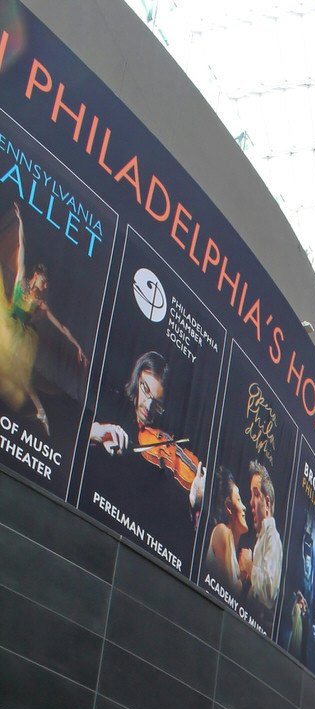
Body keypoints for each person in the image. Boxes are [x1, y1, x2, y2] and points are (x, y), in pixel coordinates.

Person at [86, 349, 205, 542]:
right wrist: (96, 430)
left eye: (157, 403)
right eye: (145, 389)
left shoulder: (162, 442)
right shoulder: (113, 400)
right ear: (136, 378)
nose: (147, 407)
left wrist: (193, 501)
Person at [0, 201, 88, 436]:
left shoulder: (40, 303)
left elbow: (61, 327)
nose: (44, 285)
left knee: (21, 375)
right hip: (7, 322)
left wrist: (77, 345)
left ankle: (40, 411)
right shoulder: (21, 280)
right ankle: (40, 411)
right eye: (43, 280)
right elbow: (23, 246)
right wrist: (20, 222)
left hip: (20, 335)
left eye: (45, 283)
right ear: (36, 275)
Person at [246, 458, 282, 627]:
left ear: (267, 503)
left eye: (256, 494)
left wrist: (248, 566)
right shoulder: (262, 537)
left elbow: (268, 593)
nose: (251, 502)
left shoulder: (272, 538)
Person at [205, 466, 248, 598]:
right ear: (229, 507)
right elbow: (229, 591)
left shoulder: (233, 552)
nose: (245, 507)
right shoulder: (221, 531)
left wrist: (242, 574)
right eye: (239, 500)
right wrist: (245, 569)